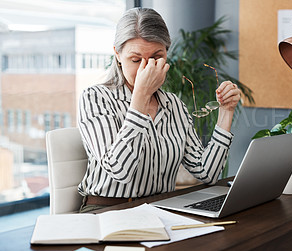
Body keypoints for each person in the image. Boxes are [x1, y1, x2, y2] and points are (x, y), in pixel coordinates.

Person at [77, 7, 241, 212]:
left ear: (167, 54)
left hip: (160, 208)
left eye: (157, 57)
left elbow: (206, 172)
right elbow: (119, 170)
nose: (147, 69)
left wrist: (225, 113)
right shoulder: (95, 98)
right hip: (108, 211)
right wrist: (141, 97)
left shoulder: (174, 105)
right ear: (117, 55)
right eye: (136, 60)